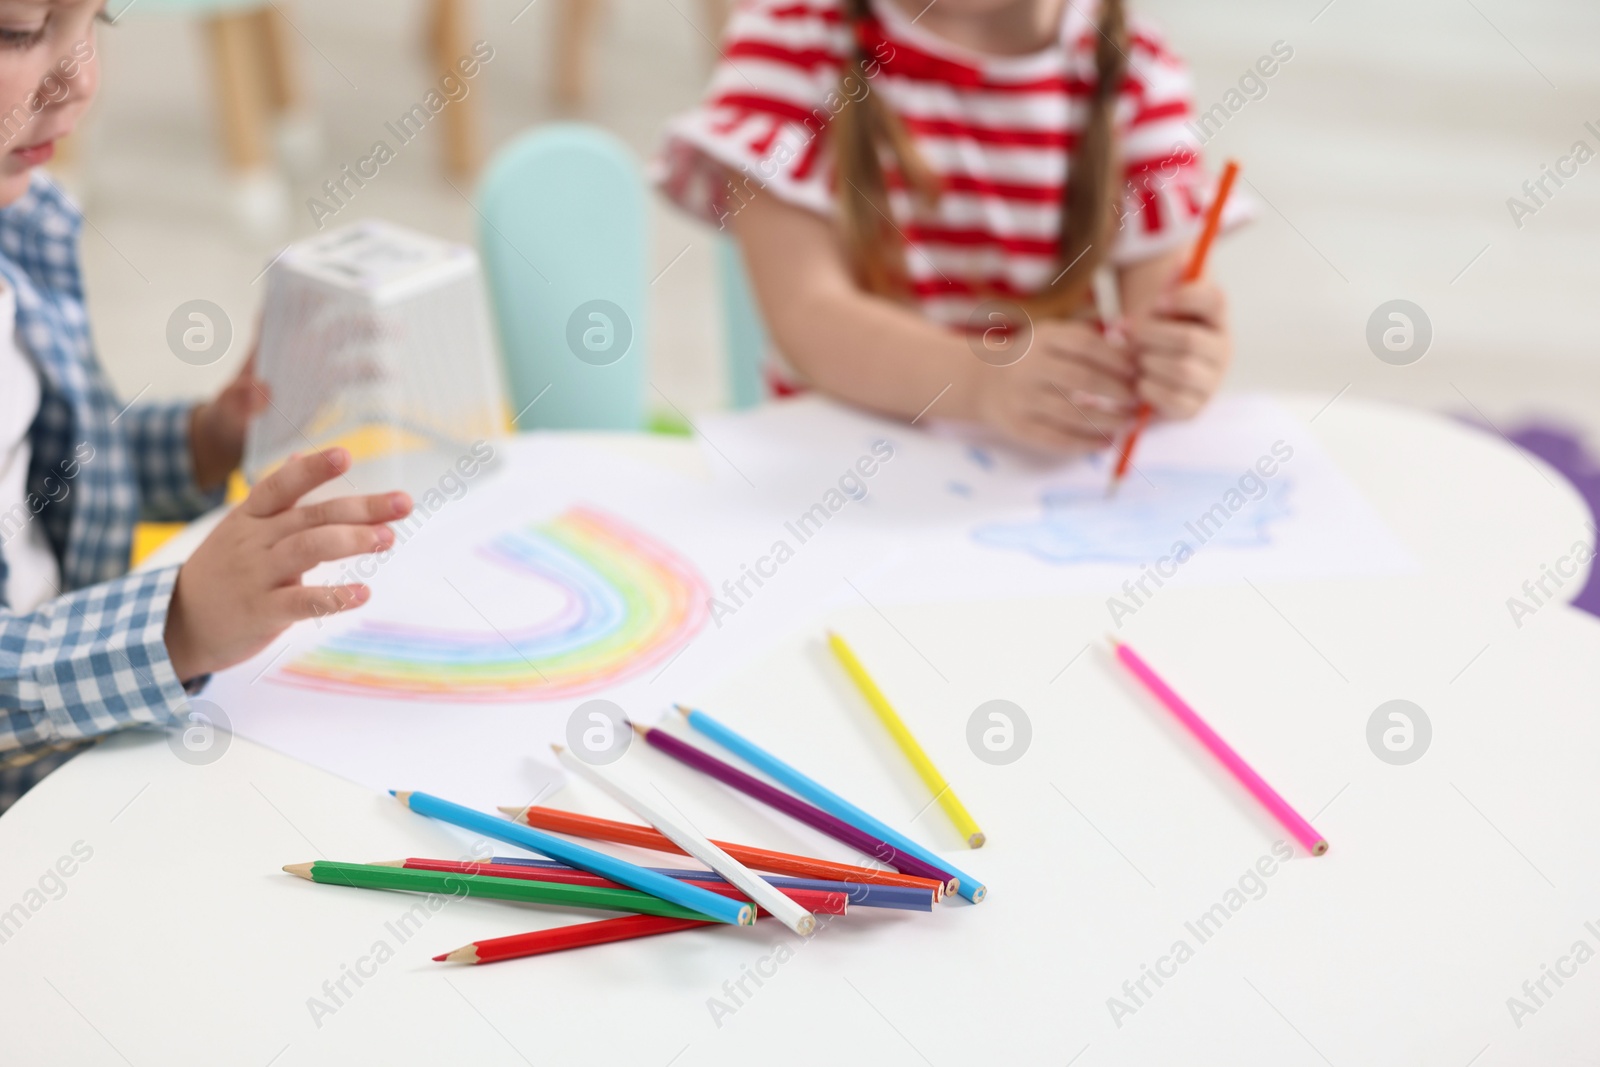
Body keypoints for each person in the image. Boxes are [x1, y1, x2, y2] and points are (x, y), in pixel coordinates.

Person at [0, 0, 410, 813]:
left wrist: (208, 438)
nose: (80, 82)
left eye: (99, 23)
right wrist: (174, 624)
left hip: (83, 731)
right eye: (16, 31)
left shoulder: (23, 217)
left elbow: (46, 458)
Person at [658, 0, 1241, 453]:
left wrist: (1179, 357)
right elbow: (806, 315)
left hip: (1046, 477)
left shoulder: (1135, 67)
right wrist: (978, 383)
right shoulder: (791, 42)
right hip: (831, 483)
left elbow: (1159, 305)